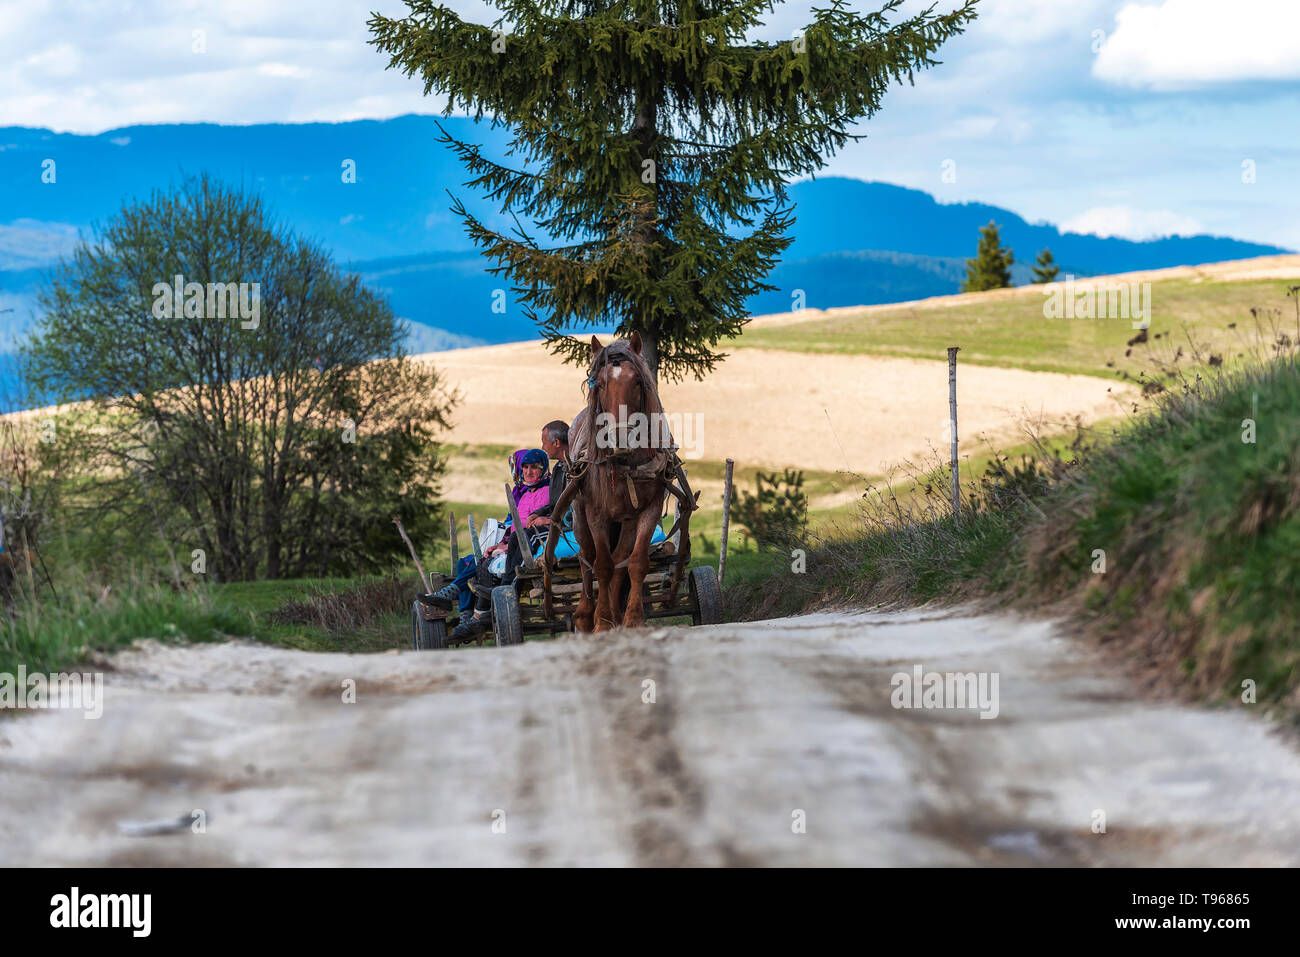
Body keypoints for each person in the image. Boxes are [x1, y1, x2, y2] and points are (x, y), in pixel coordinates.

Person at [449, 448, 552, 642]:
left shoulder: (545, 491)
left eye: (534, 468)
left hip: (530, 540)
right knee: (481, 562)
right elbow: (515, 526)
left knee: (485, 562)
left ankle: (481, 612)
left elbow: (529, 526)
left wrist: (506, 545)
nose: (528, 472)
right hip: (515, 540)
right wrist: (501, 543)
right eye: (525, 468)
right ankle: (474, 614)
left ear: (544, 469)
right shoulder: (526, 494)